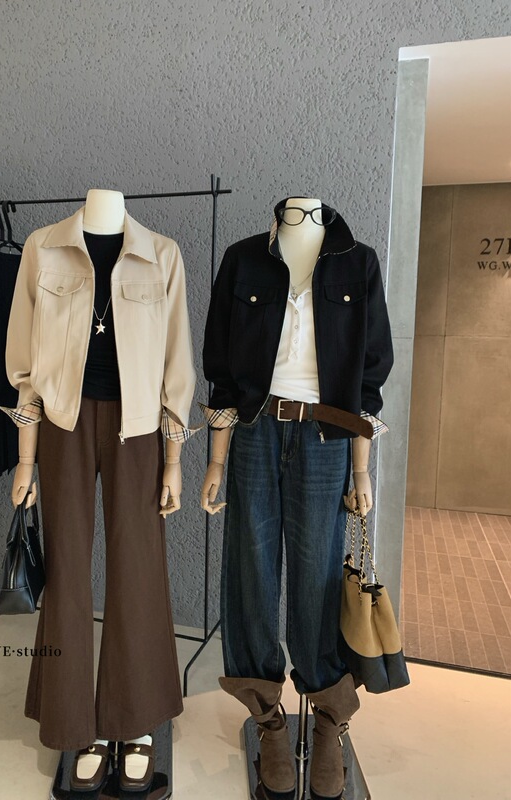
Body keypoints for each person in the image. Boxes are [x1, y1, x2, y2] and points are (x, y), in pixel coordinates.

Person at [3, 189, 196, 793]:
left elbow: (176, 362)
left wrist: (173, 459)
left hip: (138, 428)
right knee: (65, 568)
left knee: (138, 566)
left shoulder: (161, 255)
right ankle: (72, 723)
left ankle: (134, 721)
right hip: (62, 424)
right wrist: (26, 459)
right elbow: (24, 363)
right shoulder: (43, 249)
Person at [200, 196, 393, 799]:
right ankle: (268, 720)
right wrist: (215, 460)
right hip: (255, 431)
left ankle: (330, 720)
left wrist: (362, 471)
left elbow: (369, 374)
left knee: (317, 578)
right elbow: (221, 370)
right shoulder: (242, 260)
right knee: (252, 571)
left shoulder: (358, 262)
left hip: (327, 436)